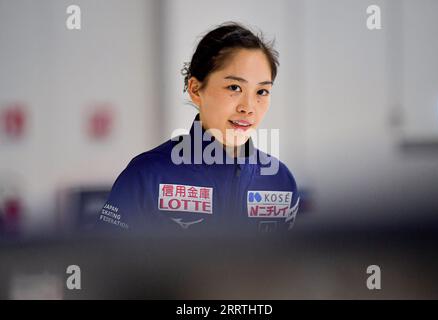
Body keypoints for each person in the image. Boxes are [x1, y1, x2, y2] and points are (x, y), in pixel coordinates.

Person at [97, 22, 300, 235]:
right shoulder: (147, 175)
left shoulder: (281, 182)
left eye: (262, 92)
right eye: (234, 87)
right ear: (195, 89)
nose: (248, 108)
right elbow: (101, 261)